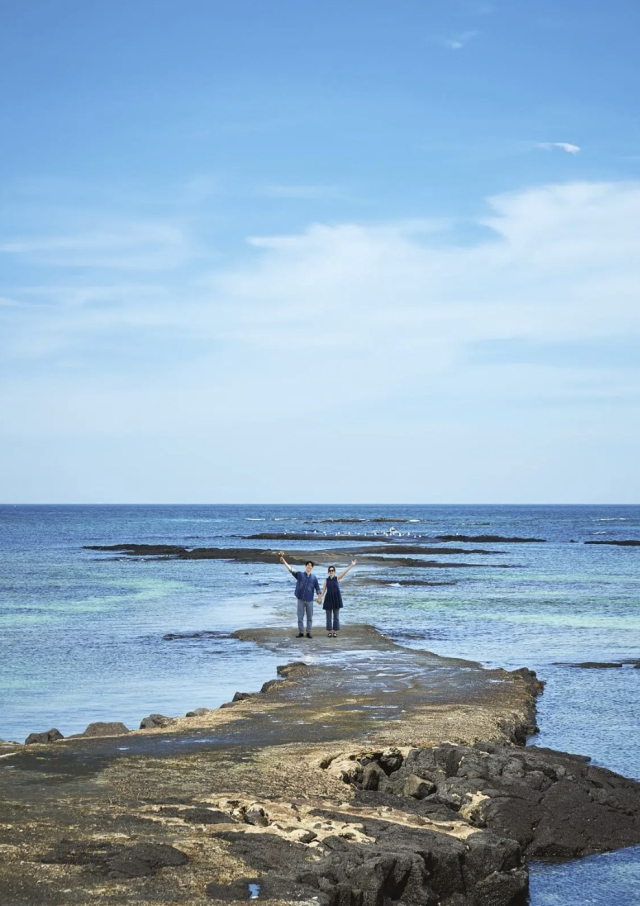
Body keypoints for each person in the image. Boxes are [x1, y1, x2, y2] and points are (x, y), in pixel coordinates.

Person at [279, 552, 321, 638]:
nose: (309, 566)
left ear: (312, 568)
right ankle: (301, 632)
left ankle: (308, 632)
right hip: (300, 599)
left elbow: (317, 588)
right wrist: (284, 562)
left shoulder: (314, 578)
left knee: (309, 617)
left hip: (309, 600)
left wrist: (319, 597)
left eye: (310, 566)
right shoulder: (300, 575)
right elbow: (291, 569)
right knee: (300, 617)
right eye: (308, 565)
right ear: (305, 566)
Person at [319, 560, 357, 637]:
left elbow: (344, 573)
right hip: (328, 599)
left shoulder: (337, 578)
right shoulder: (326, 580)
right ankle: (330, 631)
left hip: (336, 599)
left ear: (334, 572)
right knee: (328, 617)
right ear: (328, 572)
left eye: (332, 570)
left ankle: (335, 631)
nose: (331, 572)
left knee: (336, 616)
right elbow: (323, 590)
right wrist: (320, 597)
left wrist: (351, 565)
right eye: (330, 570)